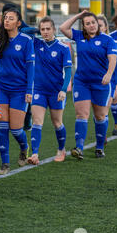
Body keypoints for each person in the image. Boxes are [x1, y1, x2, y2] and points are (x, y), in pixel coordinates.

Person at [59, 10, 117, 159]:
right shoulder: (79, 36)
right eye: (87, 23)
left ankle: (99, 147)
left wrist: (109, 74)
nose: (91, 25)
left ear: (98, 24)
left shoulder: (107, 40)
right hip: (82, 82)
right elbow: (63, 28)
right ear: (84, 26)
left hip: (100, 84)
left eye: (93, 23)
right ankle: (79, 147)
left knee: (100, 116)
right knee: (82, 114)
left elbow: (112, 59)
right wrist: (79, 15)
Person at [27, 16, 72, 165]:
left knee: (57, 122)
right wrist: (35, 30)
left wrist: (64, 90)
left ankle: (61, 149)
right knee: (37, 122)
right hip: (39, 90)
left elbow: (68, 71)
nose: (45, 32)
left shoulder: (63, 48)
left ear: (54, 29)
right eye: (42, 29)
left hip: (56, 92)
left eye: (48, 29)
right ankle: (34, 154)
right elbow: (22, 30)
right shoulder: (36, 43)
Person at [0, 8, 34, 175]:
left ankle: (24, 147)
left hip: (19, 91)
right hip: (1, 89)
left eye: (10, 18)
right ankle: (5, 163)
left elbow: (31, 67)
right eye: (5, 18)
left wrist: (29, 90)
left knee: (16, 129)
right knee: (2, 127)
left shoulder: (26, 40)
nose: (6, 21)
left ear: (18, 23)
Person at [97, 14, 117, 142]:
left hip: (110, 81)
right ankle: (102, 133)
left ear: (105, 27)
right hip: (93, 81)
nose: (97, 28)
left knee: (105, 110)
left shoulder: (112, 42)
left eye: (100, 25)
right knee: (97, 113)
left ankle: (103, 137)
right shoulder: (87, 42)